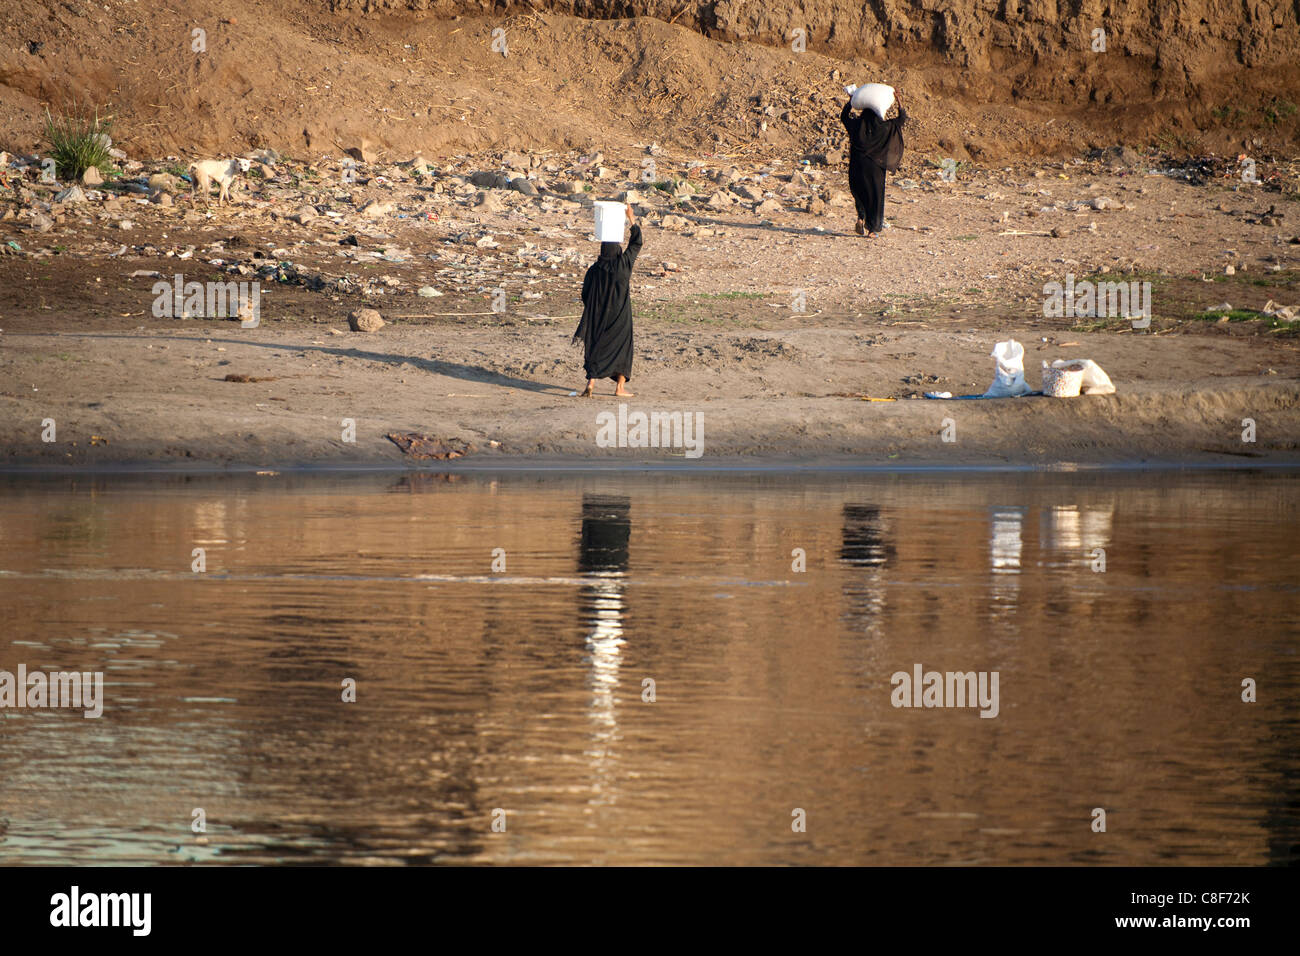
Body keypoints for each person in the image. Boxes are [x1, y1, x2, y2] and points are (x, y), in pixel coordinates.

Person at [573, 202, 642, 397]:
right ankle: (619, 388)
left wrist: (594, 308)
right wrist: (631, 218)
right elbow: (636, 243)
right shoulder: (623, 266)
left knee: (597, 346)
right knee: (623, 348)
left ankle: (591, 384)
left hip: (598, 316)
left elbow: (585, 292)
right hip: (620, 316)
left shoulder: (595, 269)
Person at [841, 88, 907, 238]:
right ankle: (872, 230)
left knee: (860, 191)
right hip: (876, 167)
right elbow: (901, 119)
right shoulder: (884, 127)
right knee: (875, 196)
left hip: (857, 165)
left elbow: (844, 117)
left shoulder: (857, 125)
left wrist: (851, 100)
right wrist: (898, 100)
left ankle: (860, 216)